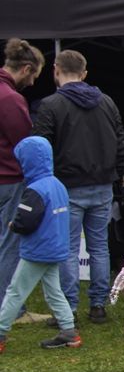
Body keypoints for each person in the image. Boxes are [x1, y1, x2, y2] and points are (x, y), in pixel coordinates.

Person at [31, 49, 124, 325]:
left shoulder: (50, 105)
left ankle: (69, 308)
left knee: (69, 249)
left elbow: (40, 147)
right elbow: (120, 141)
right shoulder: (107, 102)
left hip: (67, 186)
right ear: (84, 73)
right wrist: (116, 174)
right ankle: (98, 305)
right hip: (102, 185)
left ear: (56, 70)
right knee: (99, 247)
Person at [0, 137, 81, 353]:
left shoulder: (34, 190)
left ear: (28, 162)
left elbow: (26, 222)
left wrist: (13, 225)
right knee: (53, 291)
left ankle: (0, 332)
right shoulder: (58, 185)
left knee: (15, 291)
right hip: (55, 248)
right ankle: (69, 332)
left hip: (37, 251)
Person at [0, 38, 42, 321]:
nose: (34, 81)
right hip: (9, 180)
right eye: (35, 75)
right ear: (26, 68)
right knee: (9, 245)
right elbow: (24, 145)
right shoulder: (11, 99)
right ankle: (11, 309)